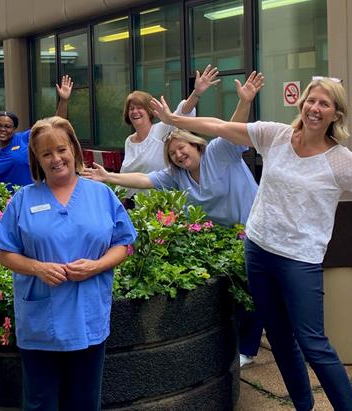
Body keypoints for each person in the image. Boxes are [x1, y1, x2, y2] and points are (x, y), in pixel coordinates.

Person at [150, 77, 352, 410]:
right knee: (280, 339)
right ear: (302, 104)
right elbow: (221, 127)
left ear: (335, 115)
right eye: (312, 100)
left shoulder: (342, 161)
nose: (315, 108)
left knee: (313, 343)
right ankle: (303, 405)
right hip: (258, 248)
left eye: (325, 104)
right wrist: (175, 120)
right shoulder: (276, 136)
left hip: (299, 260)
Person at [83, 71, 266, 366]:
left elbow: (232, 128)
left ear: (195, 145)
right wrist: (107, 176)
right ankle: (236, 338)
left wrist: (244, 101)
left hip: (253, 228)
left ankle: (247, 349)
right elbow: (144, 179)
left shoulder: (219, 152)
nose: (179, 154)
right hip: (220, 235)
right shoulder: (176, 175)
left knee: (252, 287)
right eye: (173, 153)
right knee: (231, 288)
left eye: (182, 148)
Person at [0, 116, 136, 410]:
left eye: (61, 150)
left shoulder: (101, 194)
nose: (56, 159)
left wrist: (96, 266)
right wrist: (38, 268)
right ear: (37, 158)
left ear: (73, 149)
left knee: (84, 400)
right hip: (41, 322)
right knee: (40, 402)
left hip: (88, 316)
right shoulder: (23, 200)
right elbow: (5, 253)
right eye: (46, 153)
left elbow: (123, 244)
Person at [118, 64, 219, 198]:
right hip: (137, 206)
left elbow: (183, 113)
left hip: (164, 204)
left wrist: (196, 93)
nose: (135, 112)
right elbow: (126, 174)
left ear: (149, 111)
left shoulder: (163, 129)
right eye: (131, 108)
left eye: (139, 107)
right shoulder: (129, 141)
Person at [0, 75, 73, 189]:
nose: (3, 129)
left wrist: (63, 100)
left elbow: (55, 126)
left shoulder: (25, 138)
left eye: (7, 126)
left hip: (32, 199)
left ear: (14, 128)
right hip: (3, 203)